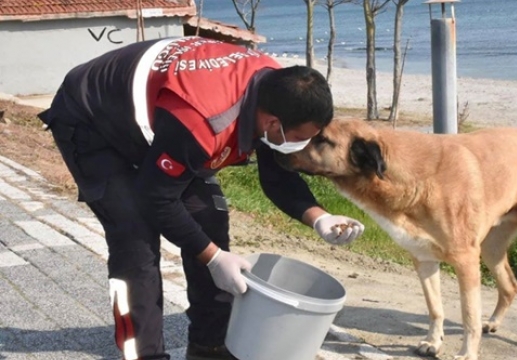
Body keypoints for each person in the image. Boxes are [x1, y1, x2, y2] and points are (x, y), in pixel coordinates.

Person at [37, 36, 365, 360]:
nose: (302, 147)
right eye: (299, 138)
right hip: (90, 117)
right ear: (272, 123)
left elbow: (276, 175)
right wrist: (212, 257)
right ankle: (144, 354)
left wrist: (319, 217)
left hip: (162, 119)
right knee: (134, 238)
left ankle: (209, 347)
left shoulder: (279, 90)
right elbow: (156, 198)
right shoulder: (206, 122)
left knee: (209, 219)